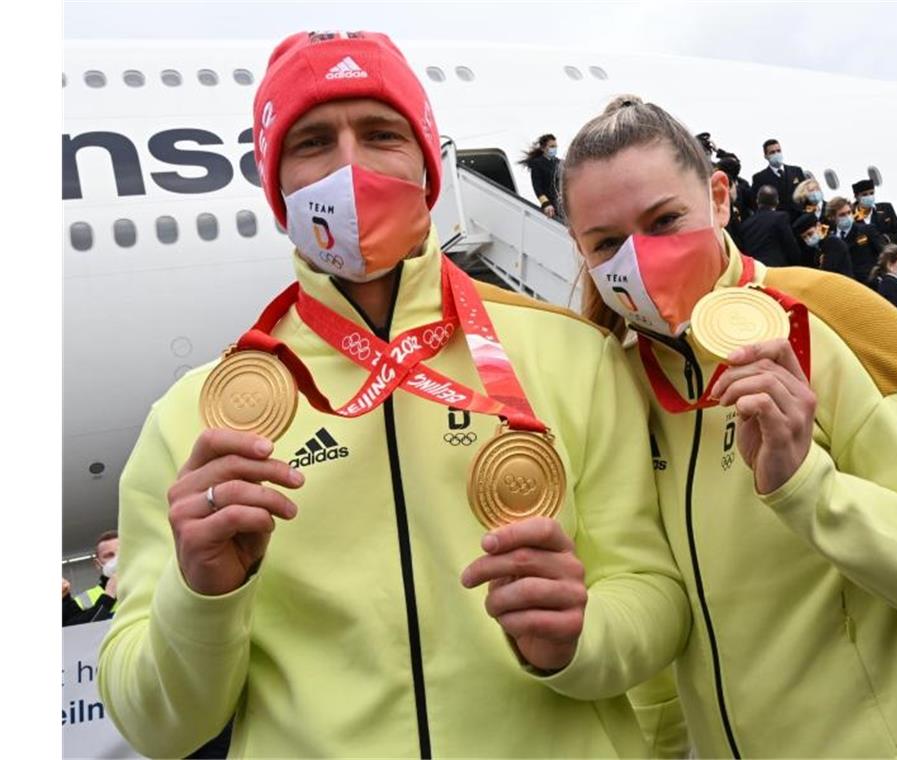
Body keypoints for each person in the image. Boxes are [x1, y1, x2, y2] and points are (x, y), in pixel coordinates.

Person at [98, 33, 688, 759]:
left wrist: (579, 637)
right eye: (313, 142)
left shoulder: (576, 359)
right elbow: (156, 728)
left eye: (380, 134)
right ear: (277, 190)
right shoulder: (195, 419)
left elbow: (655, 596)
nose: (350, 166)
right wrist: (201, 594)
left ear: (428, 166)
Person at [559, 94, 897, 759]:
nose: (641, 258)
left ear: (717, 198)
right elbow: (662, 648)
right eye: (608, 243)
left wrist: (811, 490)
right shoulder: (619, 383)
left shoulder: (834, 317)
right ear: (581, 250)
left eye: (664, 219)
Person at [733, 184, 800, 267]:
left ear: (757, 201)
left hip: (755, 270)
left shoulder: (746, 224)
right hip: (776, 269)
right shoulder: (781, 218)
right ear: (777, 201)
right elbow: (791, 246)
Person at [824, 196, 885, 285]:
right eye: (842, 215)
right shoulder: (831, 240)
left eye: (849, 213)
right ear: (832, 217)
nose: (847, 217)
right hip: (849, 286)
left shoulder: (867, 230)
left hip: (871, 282)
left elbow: (884, 253)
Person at [750, 138, 806, 219]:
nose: (776, 154)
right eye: (772, 152)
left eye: (778, 151)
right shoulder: (759, 178)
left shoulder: (796, 171)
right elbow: (755, 204)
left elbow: (805, 194)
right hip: (776, 221)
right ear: (766, 156)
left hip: (799, 219)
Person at [74, 529, 119, 618]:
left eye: (123, 553)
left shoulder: (150, 587)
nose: (118, 559)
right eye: (109, 555)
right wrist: (108, 597)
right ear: (98, 564)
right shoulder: (82, 601)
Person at [794, 212, 853, 279]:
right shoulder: (818, 248)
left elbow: (827, 272)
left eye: (810, 234)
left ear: (818, 226)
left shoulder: (832, 242)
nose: (808, 239)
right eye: (804, 237)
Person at [519, 133, 562, 218]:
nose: (555, 149)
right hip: (549, 206)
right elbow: (537, 187)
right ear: (543, 148)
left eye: (555, 146)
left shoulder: (559, 162)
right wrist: (546, 204)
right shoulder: (537, 163)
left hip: (561, 204)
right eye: (552, 146)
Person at [852, 178, 897, 243]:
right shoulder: (850, 216)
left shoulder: (886, 208)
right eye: (864, 194)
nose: (869, 196)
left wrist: (885, 238)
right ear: (856, 196)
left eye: (871, 193)